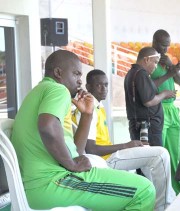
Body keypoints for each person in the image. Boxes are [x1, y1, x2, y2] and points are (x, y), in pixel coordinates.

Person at [11, 50, 155, 210]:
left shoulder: (39, 90)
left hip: (40, 187)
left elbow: (77, 153)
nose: (80, 81)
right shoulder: (58, 90)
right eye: (76, 74)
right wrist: (72, 164)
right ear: (58, 73)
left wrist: (87, 114)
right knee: (144, 190)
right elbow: (47, 126)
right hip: (52, 183)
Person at [72, 69, 176, 211]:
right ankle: (165, 206)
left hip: (108, 157)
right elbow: (91, 149)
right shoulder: (87, 110)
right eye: (99, 85)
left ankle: (153, 201)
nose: (104, 89)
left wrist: (129, 146)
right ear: (88, 86)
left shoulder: (97, 106)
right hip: (103, 161)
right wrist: (126, 145)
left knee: (148, 154)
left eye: (106, 85)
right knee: (160, 154)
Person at [150, 29, 180, 194]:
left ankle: (177, 191)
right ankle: (161, 193)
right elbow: (147, 87)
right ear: (154, 42)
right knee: (160, 153)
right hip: (158, 108)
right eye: (163, 45)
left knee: (174, 153)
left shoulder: (167, 60)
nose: (165, 49)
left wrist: (170, 65)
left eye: (168, 46)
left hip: (172, 109)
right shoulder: (148, 59)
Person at [124, 46, 177, 147]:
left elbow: (148, 89)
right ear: (147, 60)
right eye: (155, 62)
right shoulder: (141, 74)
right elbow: (148, 101)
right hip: (147, 127)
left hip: (142, 126)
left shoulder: (132, 73)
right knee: (153, 158)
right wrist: (164, 94)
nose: (156, 66)